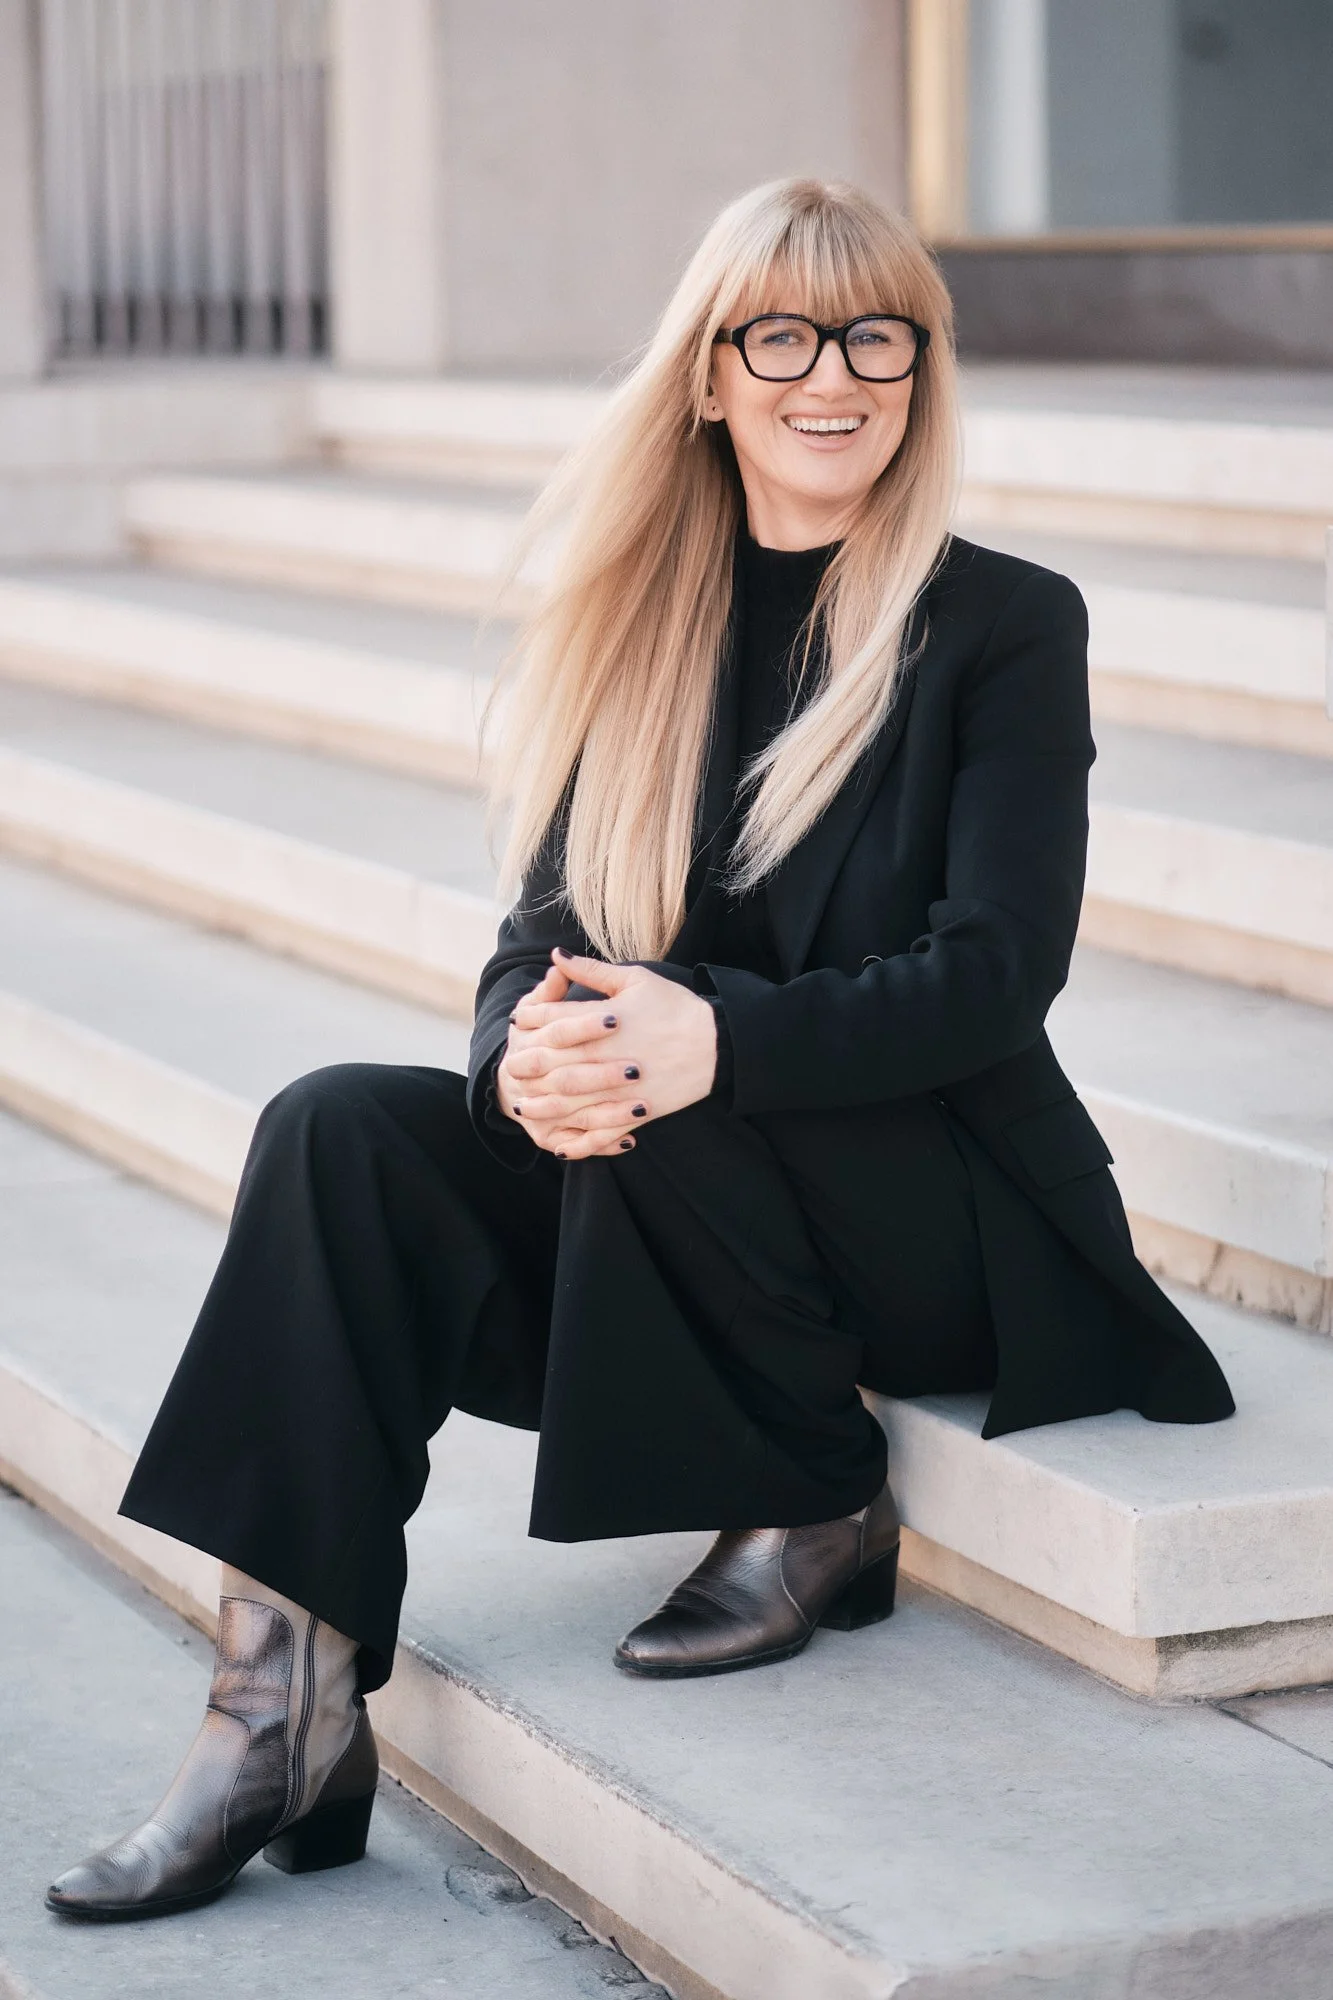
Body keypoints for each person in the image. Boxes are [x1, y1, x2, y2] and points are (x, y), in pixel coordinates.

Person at [45, 177, 1234, 1923]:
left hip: (939, 1213)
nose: (833, 378)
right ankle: (276, 1703)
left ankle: (815, 1495)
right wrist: (514, 1063)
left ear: (921, 368)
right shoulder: (641, 621)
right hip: (693, 1192)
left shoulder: (1000, 624)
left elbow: (994, 980)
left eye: (876, 337)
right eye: (782, 336)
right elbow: (540, 937)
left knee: (657, 1046)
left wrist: (711, 1042)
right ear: (708, 374)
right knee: (341, 1133)